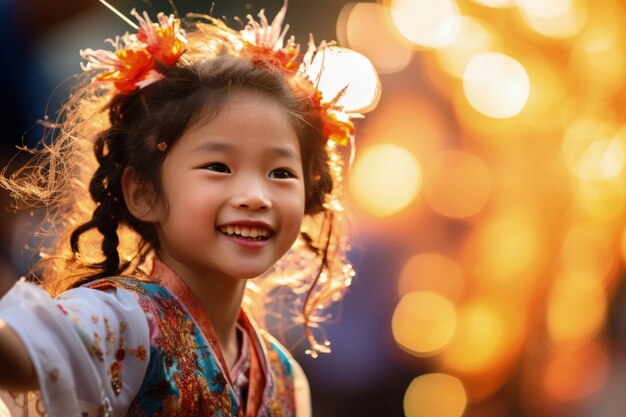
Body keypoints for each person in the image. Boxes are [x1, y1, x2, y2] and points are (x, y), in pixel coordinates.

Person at [0, 2, 360, 416]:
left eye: (280, 172)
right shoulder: (123, 322)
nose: (256, 196)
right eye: (218, 167)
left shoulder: (286, 378)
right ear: (143, 193)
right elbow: (17, 355)